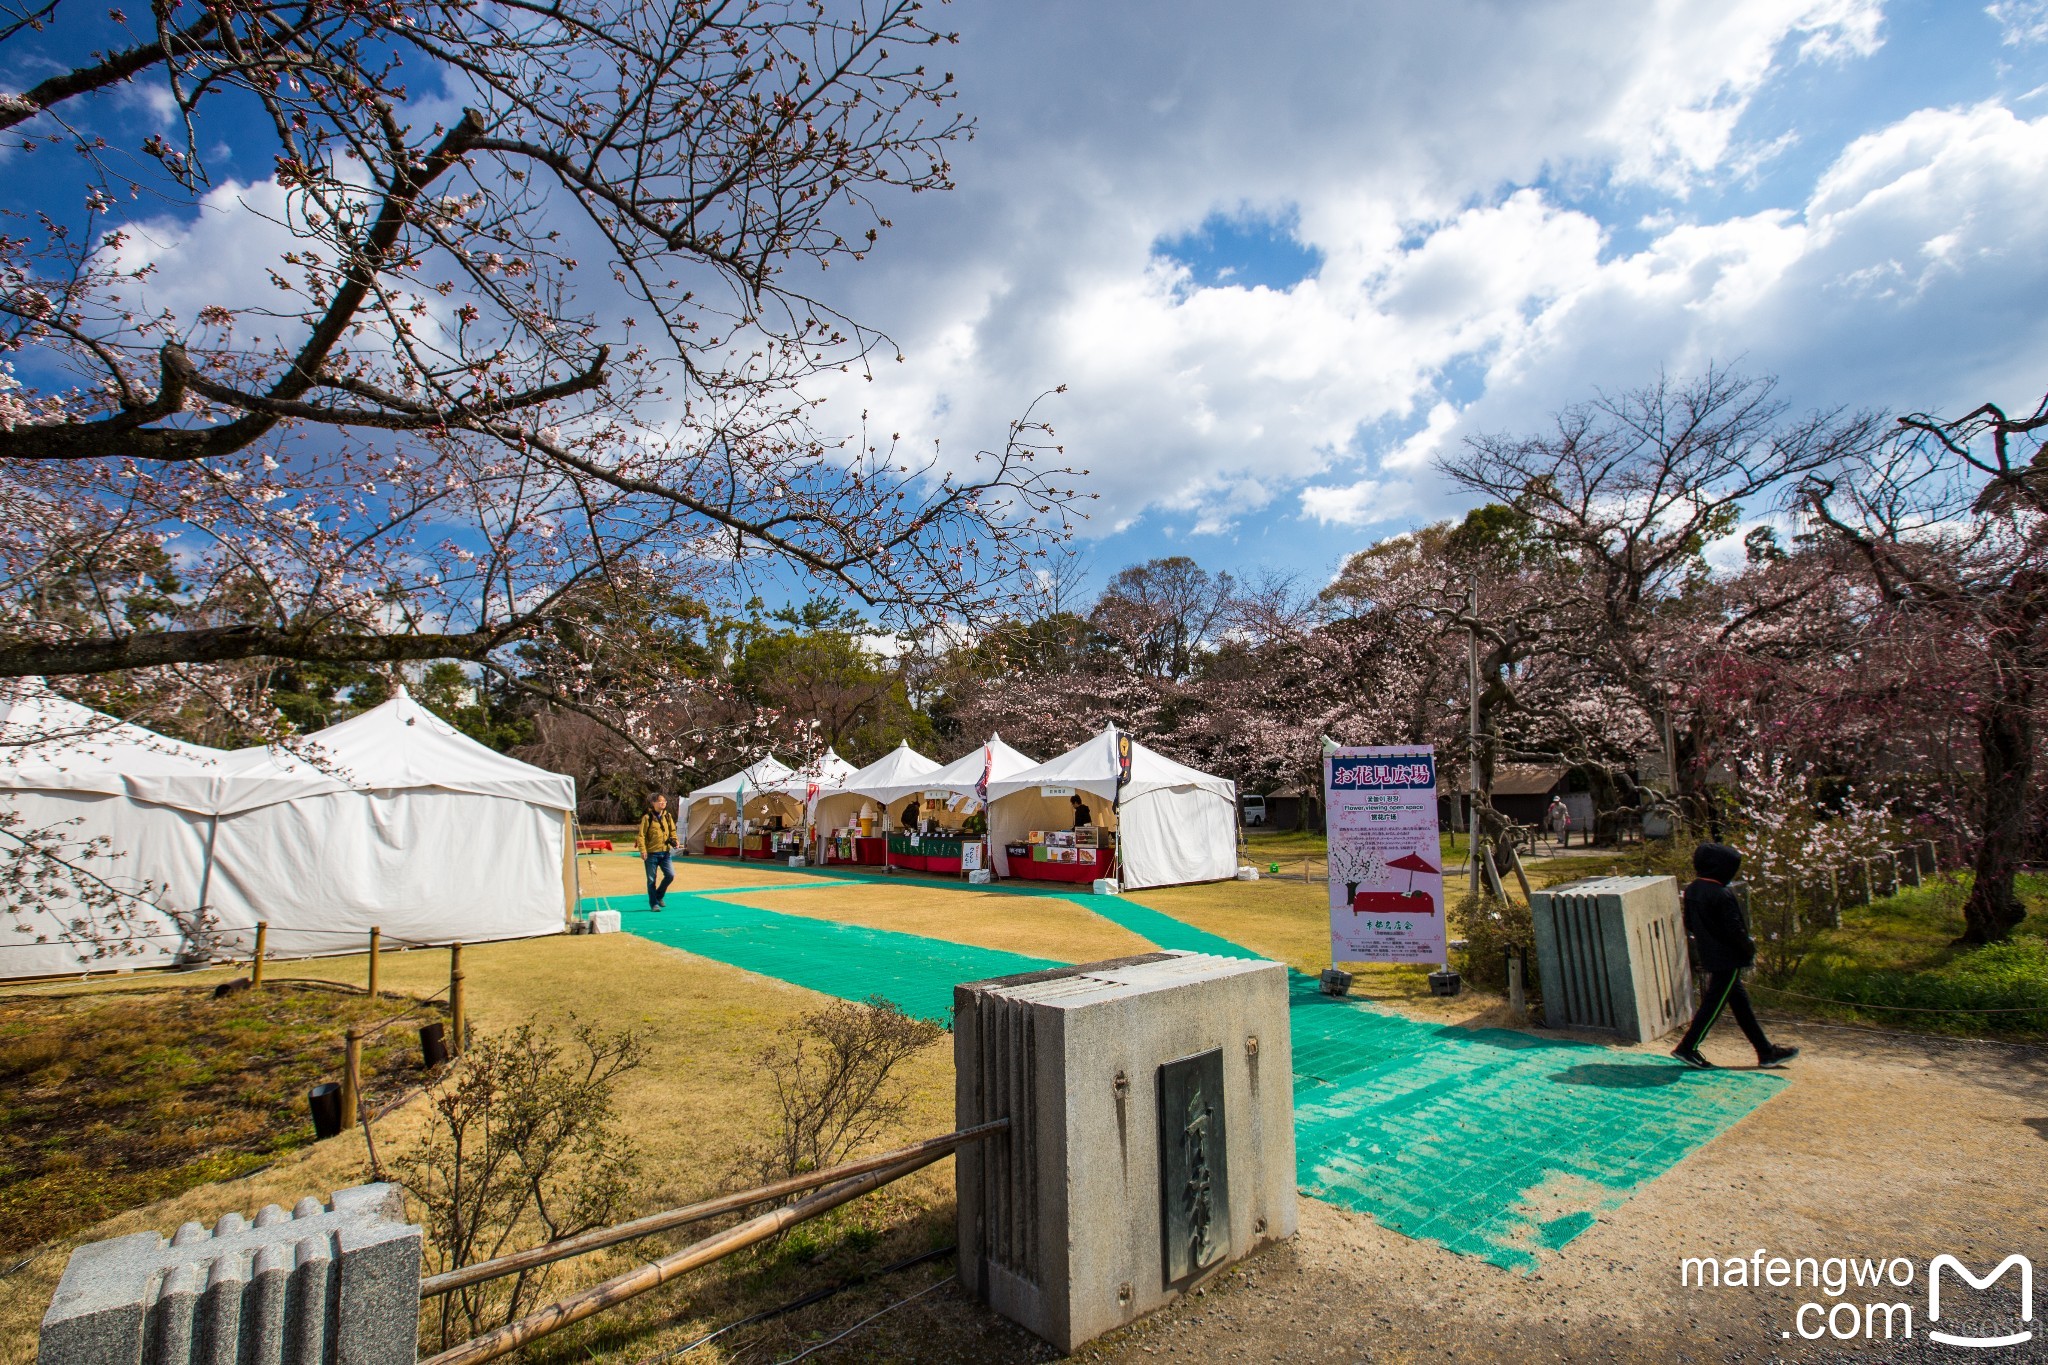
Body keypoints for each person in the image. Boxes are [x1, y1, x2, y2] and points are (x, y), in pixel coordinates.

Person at [1672, 841, 1799, 1070]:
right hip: (1728, 958)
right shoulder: (1722, 894)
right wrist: (1748, 949)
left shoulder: (1692, 890)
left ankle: (1765, 1051)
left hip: (1709, 954)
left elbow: (1689, 923)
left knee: (1741, 1006)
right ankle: (1688, 1046)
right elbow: (1735, 930)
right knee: (1712, 1005)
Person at [638, 793, 678, 911]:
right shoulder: (647, 818)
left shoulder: (668, 816)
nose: (663, 803)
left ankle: (659, 895)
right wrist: (643, 850)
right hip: (651, 853)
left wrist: (675, 841)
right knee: (651, 879)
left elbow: (672, 831)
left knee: (670, 875)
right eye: (660, 801)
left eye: (664, 801)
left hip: (665, 852)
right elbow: (641, 835)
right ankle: (654, 904)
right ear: (653, 803)